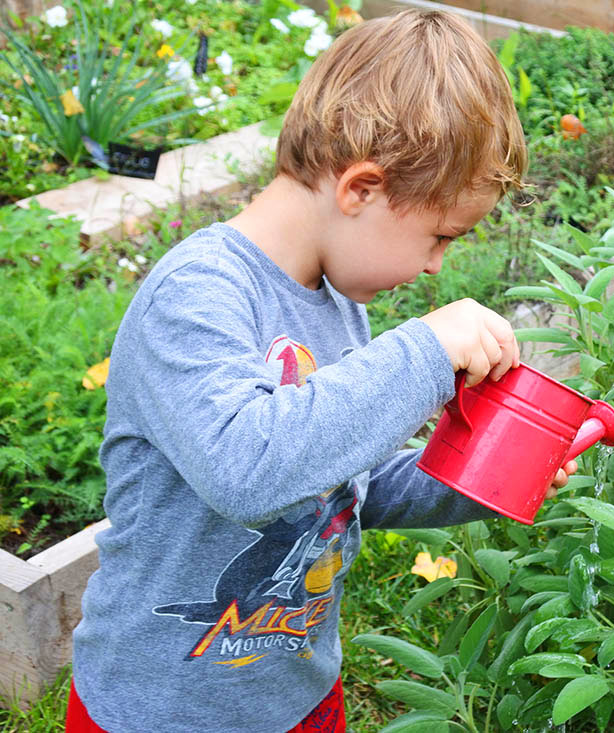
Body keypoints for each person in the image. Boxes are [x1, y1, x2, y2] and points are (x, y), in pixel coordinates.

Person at [67, 9, 575, 732]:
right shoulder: (197, 295)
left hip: (294, 693)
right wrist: (424, 351)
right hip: (159, 709)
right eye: (439, 236)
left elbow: (343, 487)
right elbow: (249, 471)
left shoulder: (337, 309)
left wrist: (486, 474)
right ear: (361, 189)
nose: (436, 264)